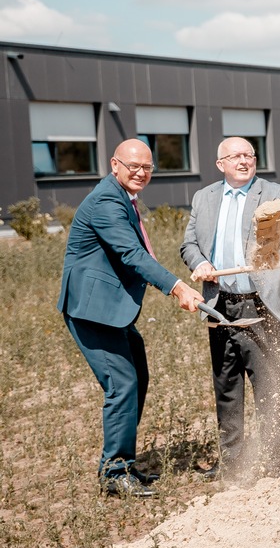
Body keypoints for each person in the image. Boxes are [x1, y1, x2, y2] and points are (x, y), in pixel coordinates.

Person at [59, 139, 205, 497]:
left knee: (137, 376)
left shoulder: (123, 196)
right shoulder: (107, 201)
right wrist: (177, 288)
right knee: (122, 384)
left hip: (111, 311)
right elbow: (131, 254)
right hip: (92, 312)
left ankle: (121, 463)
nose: (141, 173)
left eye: (147, 167)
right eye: (133, 166)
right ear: (114, 164)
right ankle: (114, 473)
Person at [180, 137, 280, 479]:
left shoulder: (274, 192)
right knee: (226, 388)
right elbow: (189, 243)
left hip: (260, 304)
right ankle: (232, 464)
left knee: (267, 387)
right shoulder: (204, 198)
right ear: (220, 163)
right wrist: (200, 263)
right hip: (219, 305)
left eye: (249, 155)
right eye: (235, 156)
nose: (243, 161)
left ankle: (270, 463)